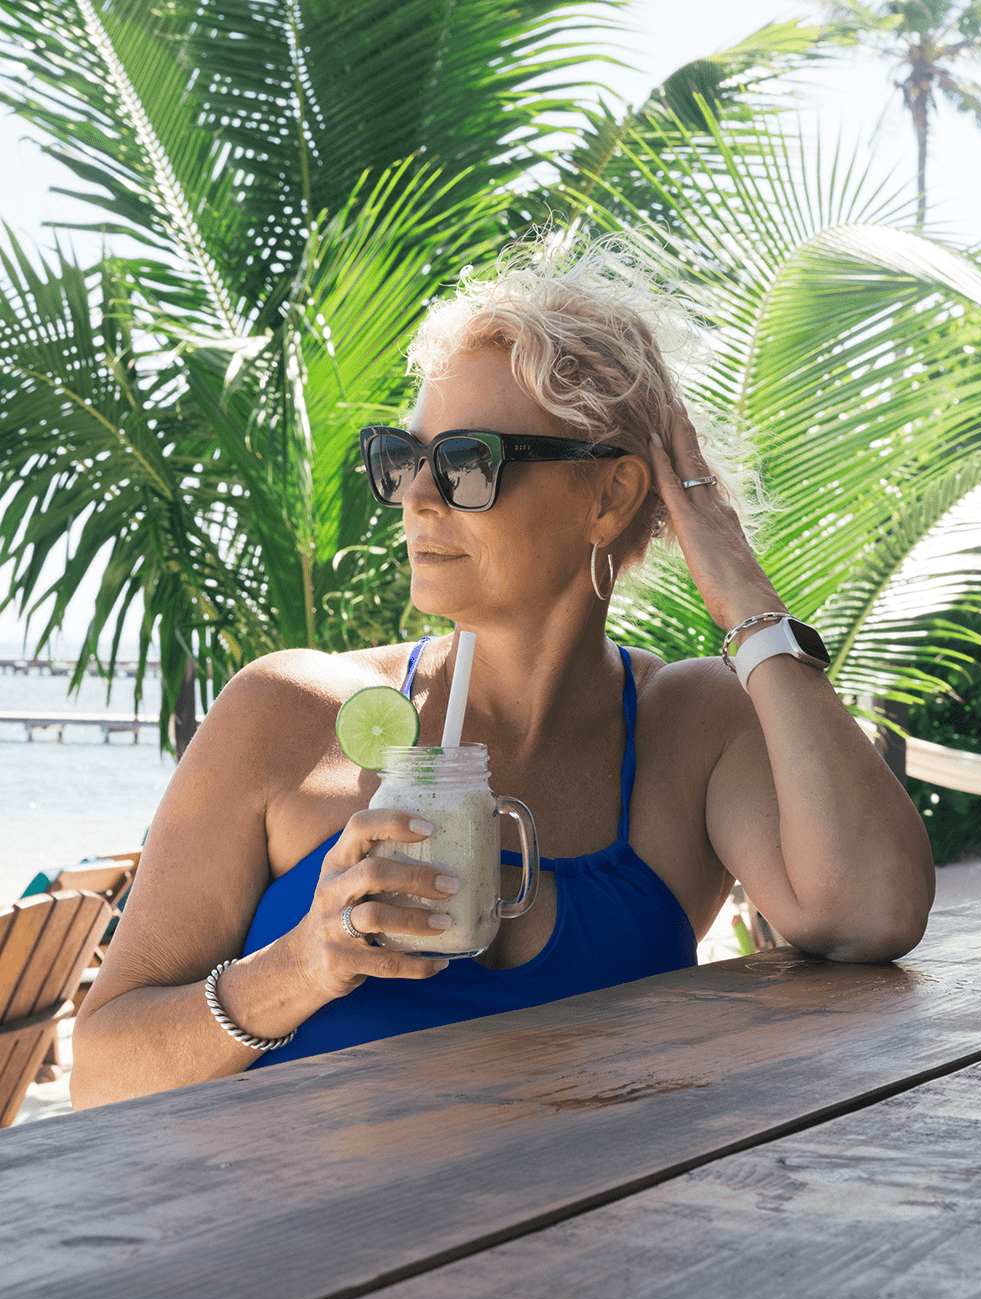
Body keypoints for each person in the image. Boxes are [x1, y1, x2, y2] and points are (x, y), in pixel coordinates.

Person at [70, 242, 934, 1108]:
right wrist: (299, 966)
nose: (417, 495)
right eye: (403, 458)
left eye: (467, 462)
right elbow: (101, 1076)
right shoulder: (289, 714)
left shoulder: (689, 728)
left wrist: (744, 591)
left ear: (609, 495)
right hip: (310, 1238)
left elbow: (869, 914)